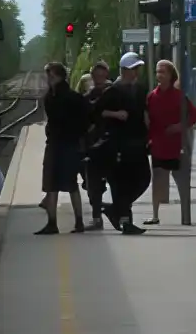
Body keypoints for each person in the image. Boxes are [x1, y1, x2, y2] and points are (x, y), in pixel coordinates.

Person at [90, 59, 150, 234]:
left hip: (138, 141)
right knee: (122, 183)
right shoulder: (113, 91)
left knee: (144, 179)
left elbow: (144, 111)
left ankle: (115, 209)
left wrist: (148, 127)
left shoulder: (139, 89)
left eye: (138, 69)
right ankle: (126, 222)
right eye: (133, 69)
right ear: (124, 69)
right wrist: (115, 114)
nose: (137, 72)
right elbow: (95, 112)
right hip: (119, 143)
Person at [36, 60, 91, 233]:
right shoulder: (75, 97)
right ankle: (79, 222)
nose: (48, 78)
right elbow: (87, 120)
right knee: (71, 185)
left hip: (55, 145)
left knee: (51, 185)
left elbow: (54, 120)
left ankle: (52, 224)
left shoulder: (50, 98)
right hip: (71, 145)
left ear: (57, 76)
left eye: (50, 75)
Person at [144, 61, 196, 224]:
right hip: (158, 146)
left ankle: (186, 216)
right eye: (157, 72)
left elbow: (195, 115)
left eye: (163, 72)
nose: (159, 75)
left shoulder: (179, 96)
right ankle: (155, 215)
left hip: (178, 147)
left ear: (171, 75)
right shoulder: (151, 97)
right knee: (157, 183)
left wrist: (180, 126)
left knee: (183, 184)